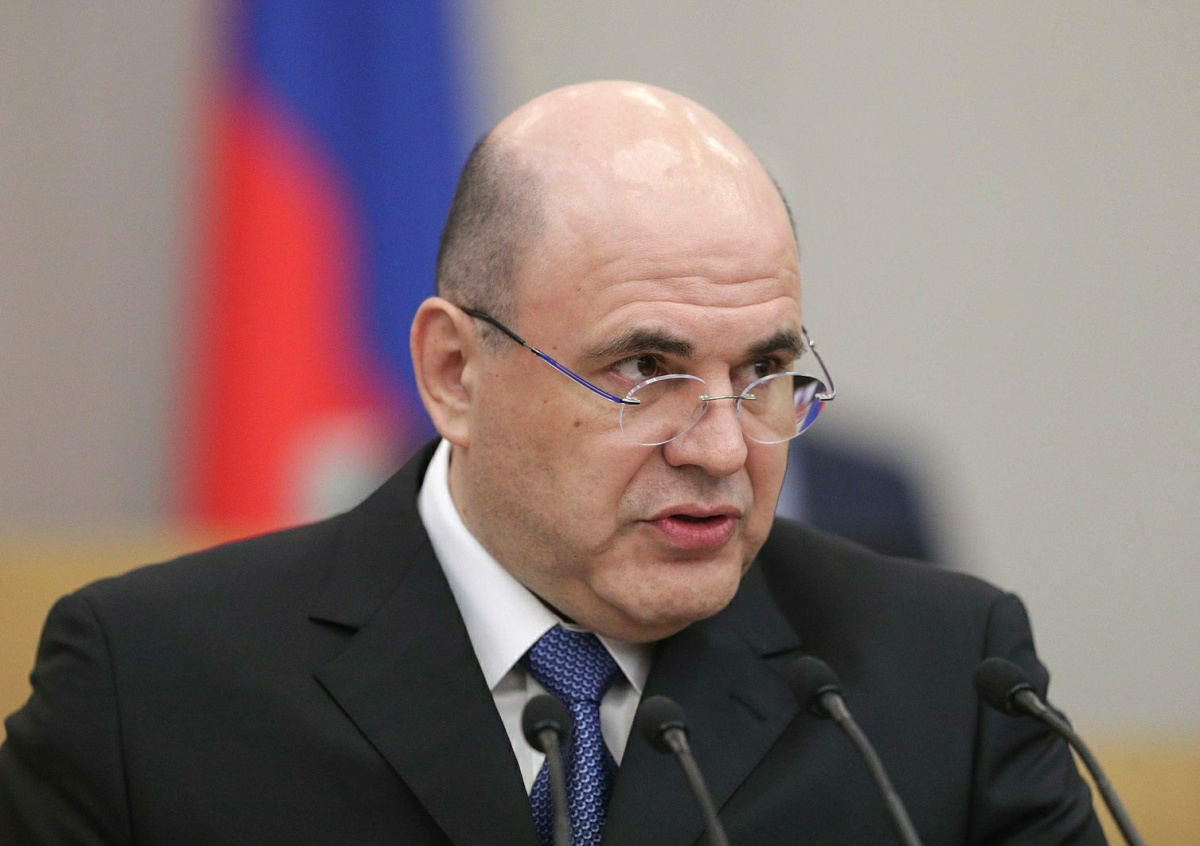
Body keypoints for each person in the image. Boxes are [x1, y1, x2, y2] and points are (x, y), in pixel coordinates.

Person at [0, 81, 1103, 844]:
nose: (723, 447)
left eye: (765, 370)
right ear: (454, 372)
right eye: (646, 370)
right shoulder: (148, 688)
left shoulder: (946, 680)